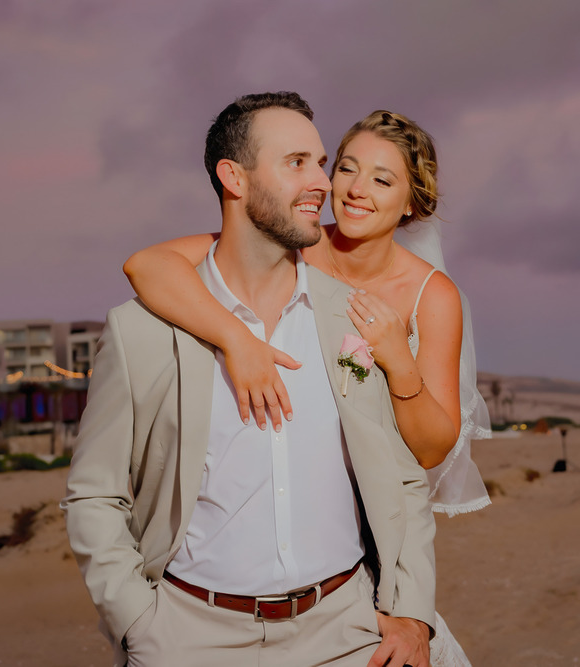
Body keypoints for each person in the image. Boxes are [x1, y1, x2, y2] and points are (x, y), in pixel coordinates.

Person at [63, 92, 435, 667]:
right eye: (296, 163)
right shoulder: (140, 331)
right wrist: (138, 622)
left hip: (344, 635)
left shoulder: (357, 321)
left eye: (319, 161)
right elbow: (94, 491)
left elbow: (403, 476)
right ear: (233, 177)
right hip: (189, 640)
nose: (322, 183)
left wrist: (411, 612)